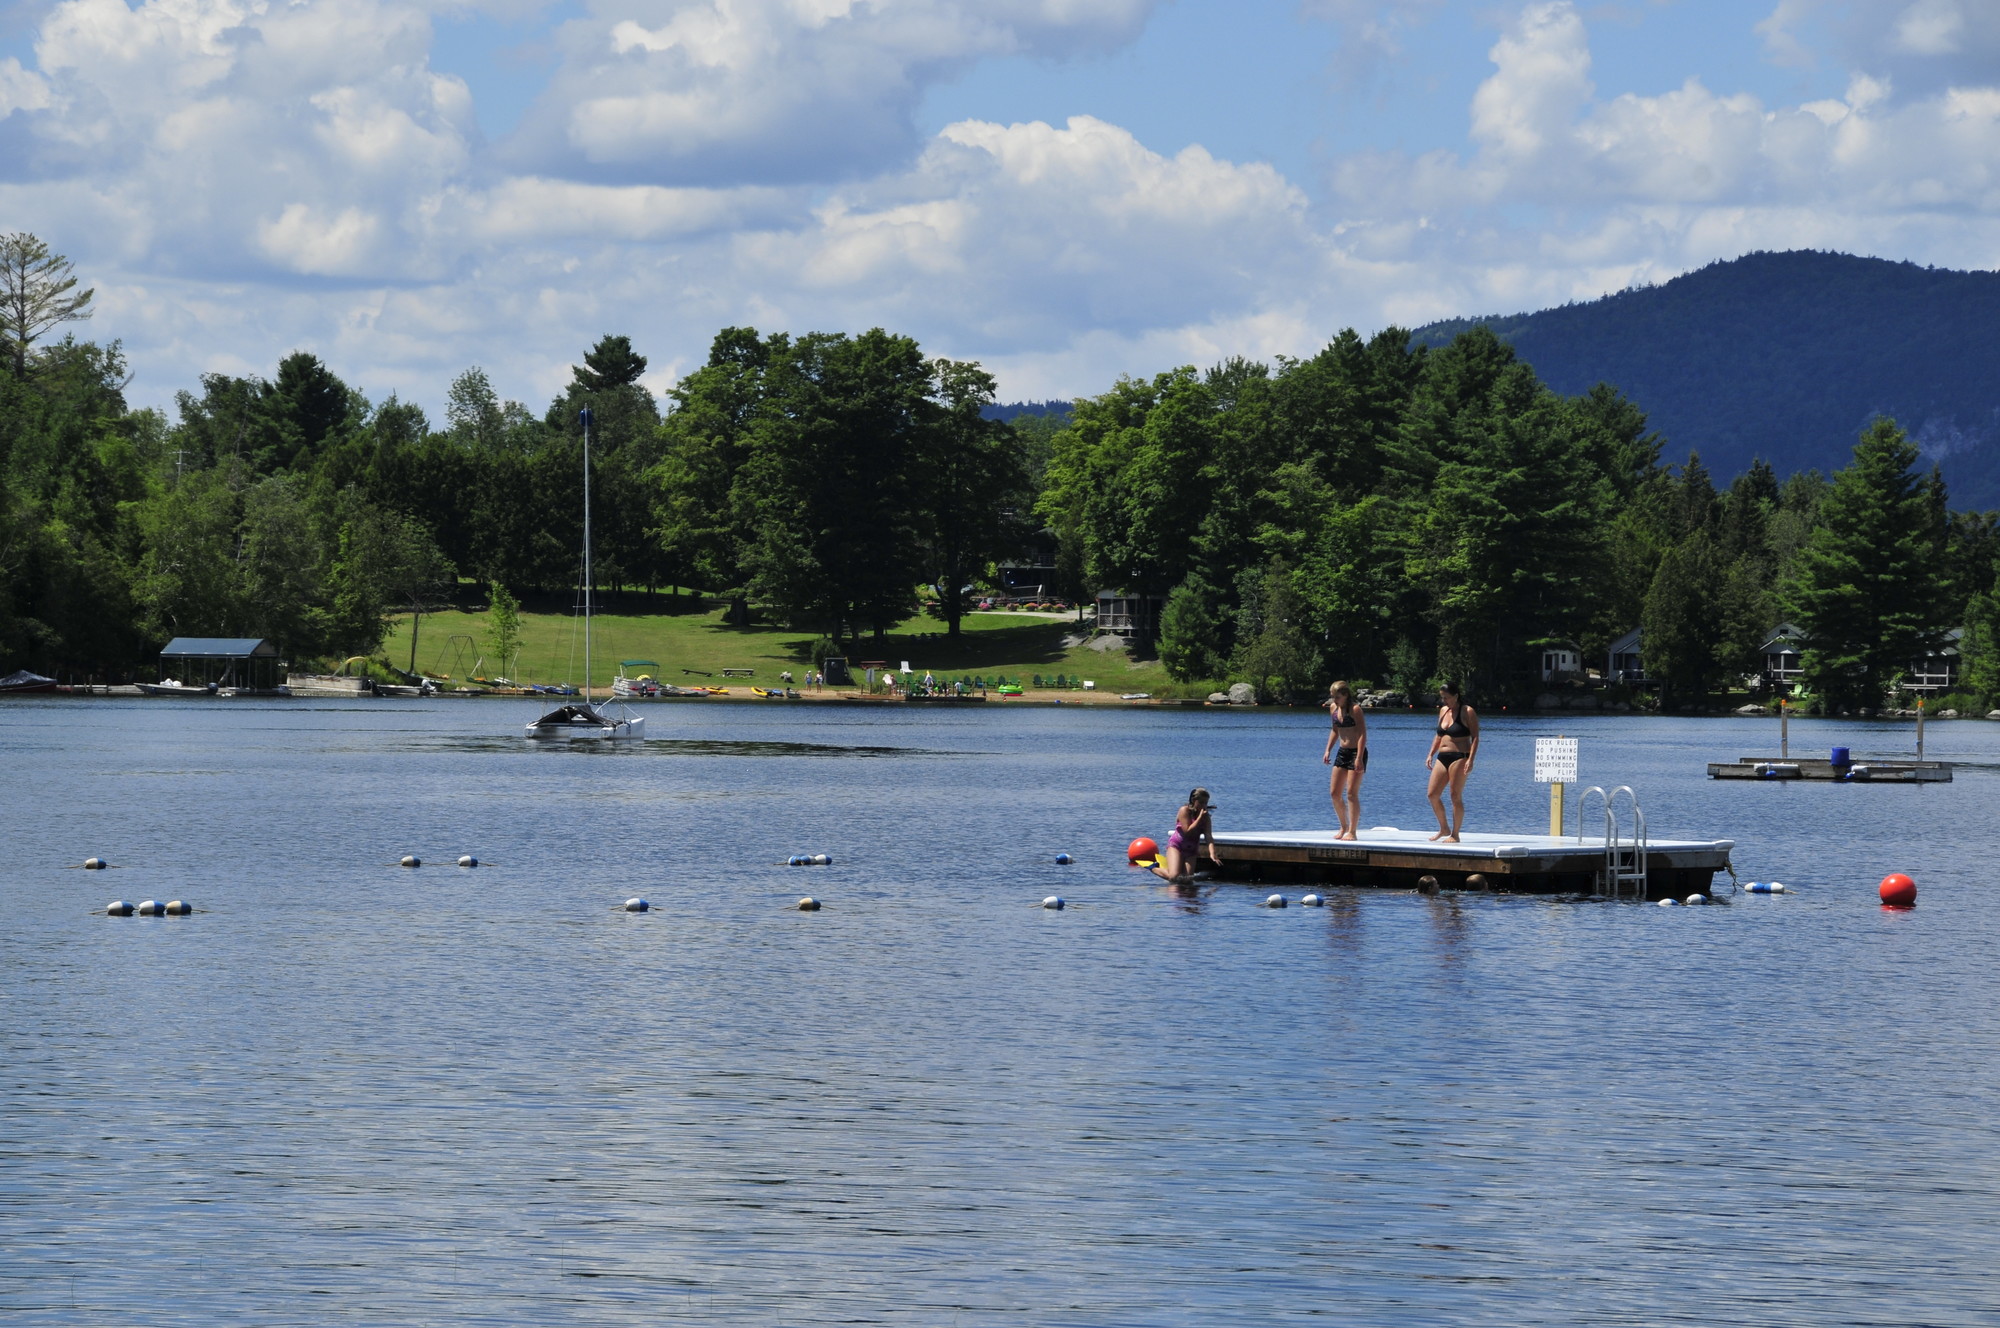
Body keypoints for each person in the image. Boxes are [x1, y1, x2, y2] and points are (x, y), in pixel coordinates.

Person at [1423, 681, 1480, 842]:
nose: (1444, 701)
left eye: (1447, 698)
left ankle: (1455, 834)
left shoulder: (1467, 711)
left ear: (1456, 696)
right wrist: (1430, 754)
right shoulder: (1443, 711)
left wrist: (1471, 759)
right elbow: (1439, 735)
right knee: (1432, 794)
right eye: (1442, 698)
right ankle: (1444, 828)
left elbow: (1475, 737)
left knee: (1455, 796)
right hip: (1442, 757)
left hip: (1460, 756)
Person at [1321, 680, 1368, 840]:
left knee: (1351, 794)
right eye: (1333, 696)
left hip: (1356, 752)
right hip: (1342, 752)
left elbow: (1362, 734)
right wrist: (1328, 749)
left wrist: (1359, 758)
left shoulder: (1355, 709)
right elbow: (1335, 730)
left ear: (1346, 695)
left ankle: (1352, 832)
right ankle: (1344, 826)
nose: (1334, 700)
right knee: (1334, 793)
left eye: (1337, 697)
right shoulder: (1333, 708)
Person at [1152, 788, 1220, 882]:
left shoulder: (1206, 817)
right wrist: (1199, 818)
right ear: (1193, 801)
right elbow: (1187, 831)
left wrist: (1212, 853)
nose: (1204, 806)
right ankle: (1153, 867)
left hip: (1191, 850)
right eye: (1201, 802)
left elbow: (1208, 836)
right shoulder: (1184, 810)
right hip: (1177, 846)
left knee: (1186, 880)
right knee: (1174, 877)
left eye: (1206, 803)